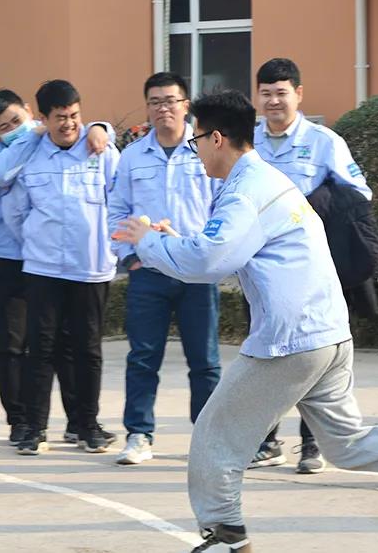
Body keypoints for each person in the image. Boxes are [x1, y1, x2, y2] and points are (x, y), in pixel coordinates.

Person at [116, 90, 378, 552]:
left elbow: (208, 262)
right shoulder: (267, 181)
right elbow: (221, 248)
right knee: (345, 443)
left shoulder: (244, 192)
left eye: (196, 140)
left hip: (290, 340)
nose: (194, 151)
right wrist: (174, 240)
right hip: (328, 334)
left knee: (214, 438)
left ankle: (223, 537)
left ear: (216, 138)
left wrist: (147, 242)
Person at [249, 57, 374, 474]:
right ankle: (266, 441)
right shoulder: (249, 143)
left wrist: (318, 201)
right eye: (266, 93)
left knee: (313, 354)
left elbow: (359, 194)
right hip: (263, 271)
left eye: (281, 93)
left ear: (298, 94)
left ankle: (311, 444)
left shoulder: (324, 142)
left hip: (312, 272)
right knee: (265, 354)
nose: (273, 101)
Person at [0, 89, 114, 447]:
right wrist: (39, 240)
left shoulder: (98, 148)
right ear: (45, 118)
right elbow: (15, 210)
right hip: (36, 264)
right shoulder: (19, 153)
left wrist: (100, 128)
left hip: (89, 266)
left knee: (85, 349)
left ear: (29, 112)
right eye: (60, 117)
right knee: (34, 347)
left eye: (74, 116)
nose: (68, 123)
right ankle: (29, 427)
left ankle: (85, 425)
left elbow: (120, 197)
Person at [107, 72, 219, 466]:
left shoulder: (206, 149)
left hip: (196, 271)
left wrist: (213, 255)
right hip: (149, 271)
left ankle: (208, 438)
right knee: (143, 357)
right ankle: (138, 434)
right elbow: (116, 210)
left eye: (170, 101)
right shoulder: (133, 156)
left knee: (204, 361)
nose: (163, 109)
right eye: (155, 102)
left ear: (186, 105)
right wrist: (130, 257)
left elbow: (221, 205)